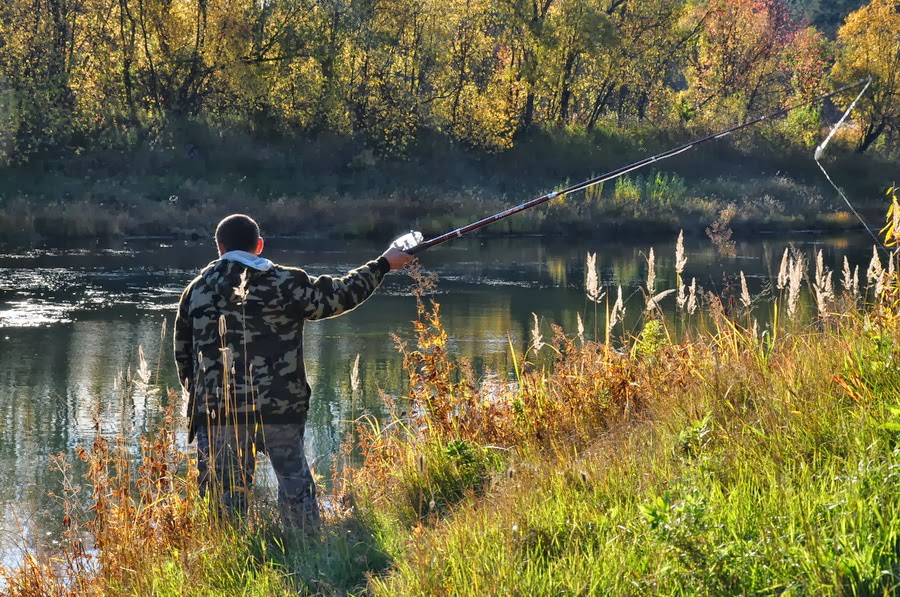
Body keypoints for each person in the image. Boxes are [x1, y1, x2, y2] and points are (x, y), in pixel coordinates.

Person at [174, 214, 415, 527]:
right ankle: (306, 553)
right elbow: (338, 296)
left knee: (224, 502)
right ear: (259, 246)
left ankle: (228, 560)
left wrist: (206, 401)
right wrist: (382, 264)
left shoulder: (195, 292)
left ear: (218, 247)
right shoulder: (284, 282)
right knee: (295, 489)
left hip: (220, 413)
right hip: (281, 407)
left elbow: (183, 357)